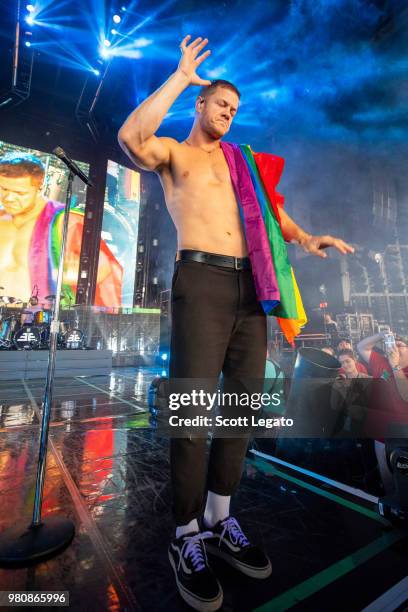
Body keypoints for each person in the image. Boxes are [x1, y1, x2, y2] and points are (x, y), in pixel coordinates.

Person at [118, 35, 354, 611]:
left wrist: (306, 236)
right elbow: (130, 139)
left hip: (253, 288)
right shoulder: (175, 153)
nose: (228, 113)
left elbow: (274, 213)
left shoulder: (241, 162)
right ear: (202, 105)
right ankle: (186, 534)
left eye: (235, 109)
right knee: (195, 406)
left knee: (244, 405)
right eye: (221, 104)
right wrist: (180, 76)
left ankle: (221, 519)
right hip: (200, 280)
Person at [0, 153, 122, 306]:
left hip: (41, 320)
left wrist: (67, 274)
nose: (9, 198)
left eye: (20, 193)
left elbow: (105, 268)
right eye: (4, 189)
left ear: (40, 188)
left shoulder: (64, 220)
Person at [357, 331, 408, 494]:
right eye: (393, 343)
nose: (395, 347)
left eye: (400, 345)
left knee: (404, 478)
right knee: (387, 477)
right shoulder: (381, 362)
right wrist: (382, 335)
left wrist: (396, 366)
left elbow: (406, 395)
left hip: (403, 435)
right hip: (381, 434)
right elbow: (361, 346)